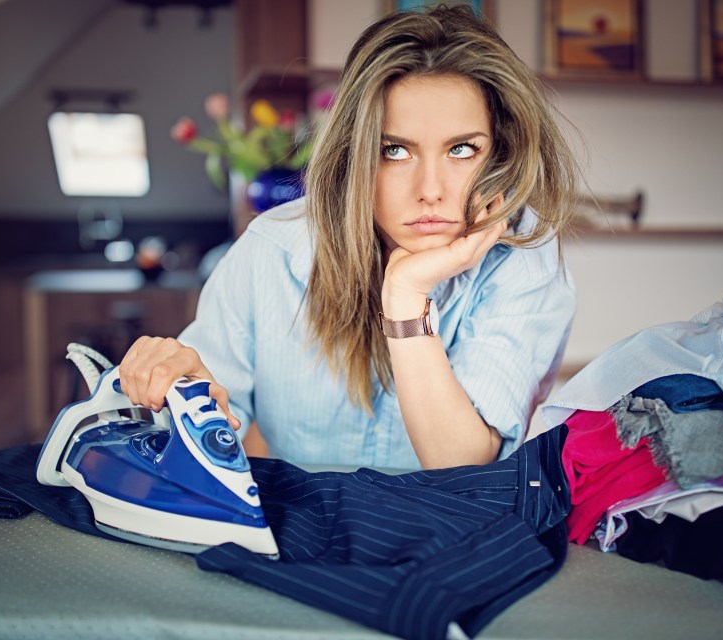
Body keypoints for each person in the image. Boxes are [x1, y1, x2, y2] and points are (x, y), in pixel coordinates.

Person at [118, 4, 580, 471]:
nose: (431, 192)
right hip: (297, 535)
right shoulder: (272, 249)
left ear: (498, 151)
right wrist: (176, 387)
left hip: (448, 536)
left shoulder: (522, 257)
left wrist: (405, 298)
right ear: (355, 153)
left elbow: (460, 465)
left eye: (462, 150)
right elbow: (199, 432)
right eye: (394, 151)